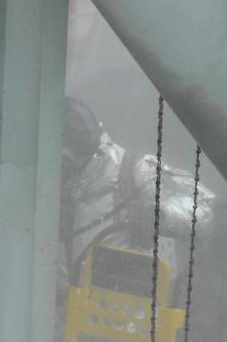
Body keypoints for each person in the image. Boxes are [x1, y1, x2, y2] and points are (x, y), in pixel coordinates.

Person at [60, 96, 214, 300]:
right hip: (62, 314)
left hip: (123, 316)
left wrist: (160, 213)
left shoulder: (133, 169)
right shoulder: (50, 181)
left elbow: (204, 206)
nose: (63, 167)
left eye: (66, 159)